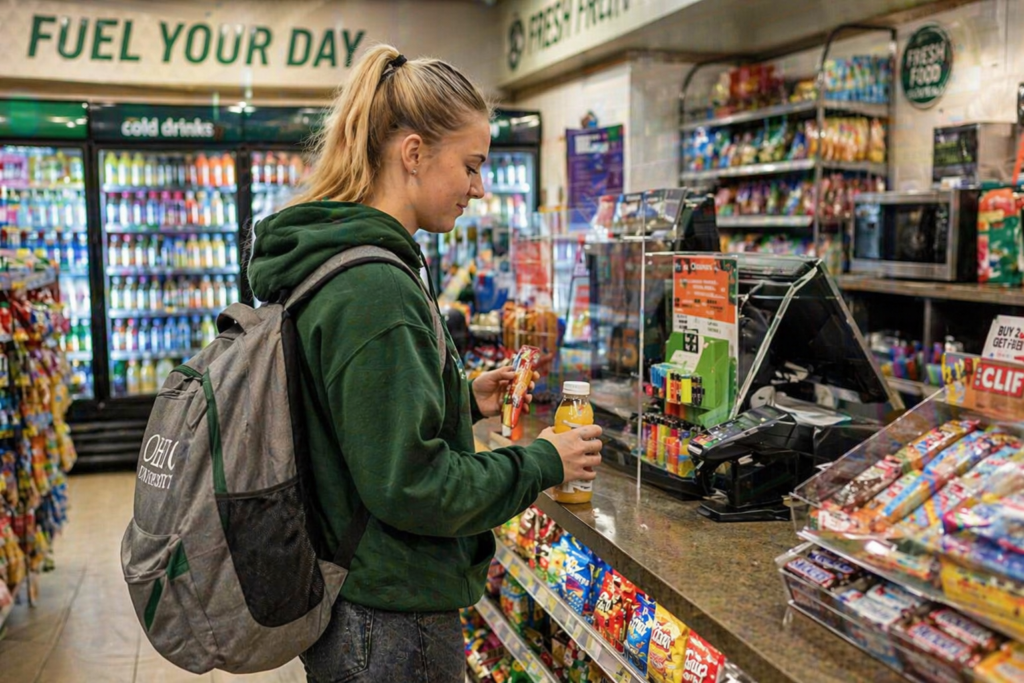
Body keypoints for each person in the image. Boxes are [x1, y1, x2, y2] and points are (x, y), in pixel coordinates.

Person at [246, 45, 603, 683]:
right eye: (470, 165)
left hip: (358, 602)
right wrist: (545, 460)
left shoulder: (349, 260)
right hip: (388, 619)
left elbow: (354, 422)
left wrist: (459, 398)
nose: (479, 186)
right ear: (413, 153)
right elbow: (413, 487)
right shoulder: (374, 287)